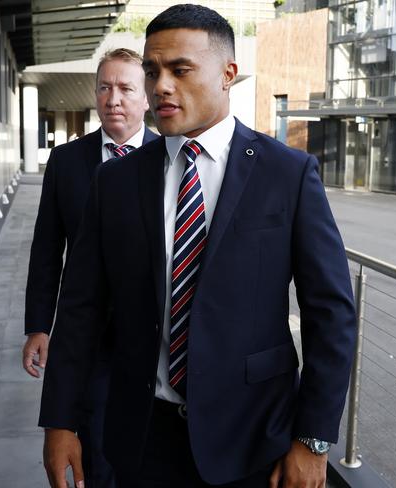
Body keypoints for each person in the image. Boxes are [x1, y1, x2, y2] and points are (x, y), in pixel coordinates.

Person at [40, 5, 357, 488]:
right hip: (143, 438)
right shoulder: (116, 181)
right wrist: (60, 420)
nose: (161, 85)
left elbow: (331, 314)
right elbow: (80, 306)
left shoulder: (286, 175)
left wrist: (313, 440)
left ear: (228, 74)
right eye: (152, 71)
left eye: (180, 70)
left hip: (254, 441)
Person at [22, 48, 157, 488]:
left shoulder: (173, 157)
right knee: (96, 451)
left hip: (156, 338)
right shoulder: (67, 162)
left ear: (146, 98)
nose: (113, 98)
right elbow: (47, 249)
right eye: (104, 87)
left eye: (125, 88)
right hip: (90, 338)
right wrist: (38, 327)